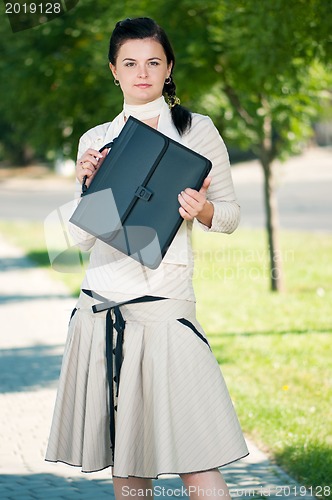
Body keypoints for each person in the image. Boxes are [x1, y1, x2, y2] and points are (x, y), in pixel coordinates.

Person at [45, 17, 248, 499]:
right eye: (130, 63)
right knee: (129, 468)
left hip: (166, 306)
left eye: (153, 62)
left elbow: (233, 214)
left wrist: (203, 211)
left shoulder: (198, 130)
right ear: (114, 70)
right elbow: (84, 240)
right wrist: (87, 188)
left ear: (168, 67)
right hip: (103, 304)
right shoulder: (95, 139)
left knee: (197, 463)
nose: (142, 73)